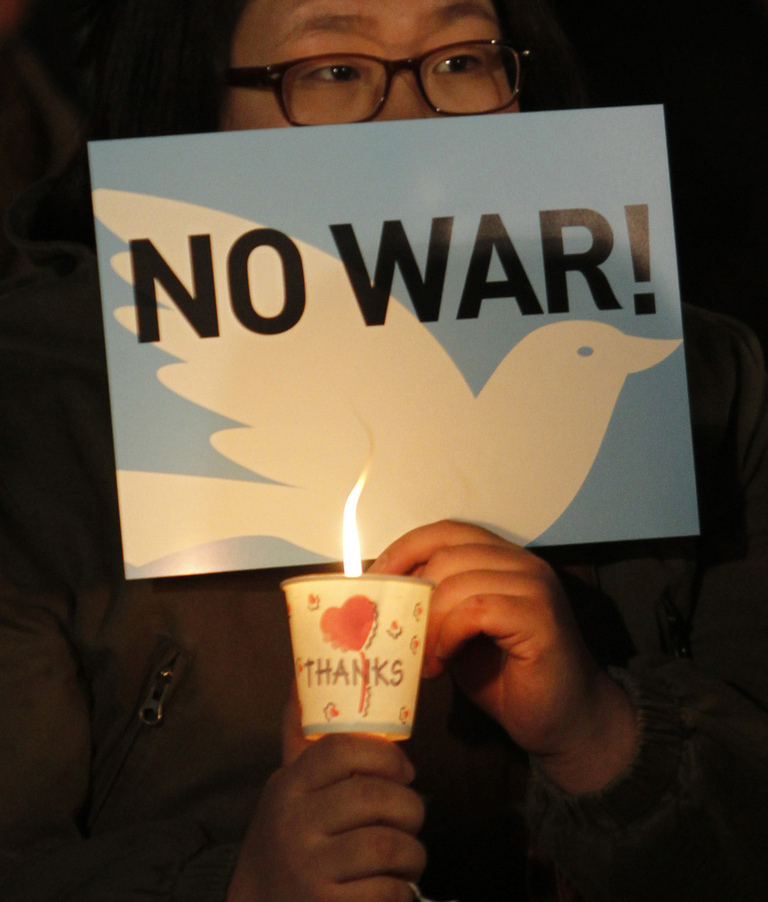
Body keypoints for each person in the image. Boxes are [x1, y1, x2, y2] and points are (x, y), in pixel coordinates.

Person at [0, 1, 767, 901]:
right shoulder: (39, 408)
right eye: (332, 71)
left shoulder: (702, 382)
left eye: (459, 59)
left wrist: (602, 738)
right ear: (189, 105)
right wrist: (240, 888)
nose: (411, 122)